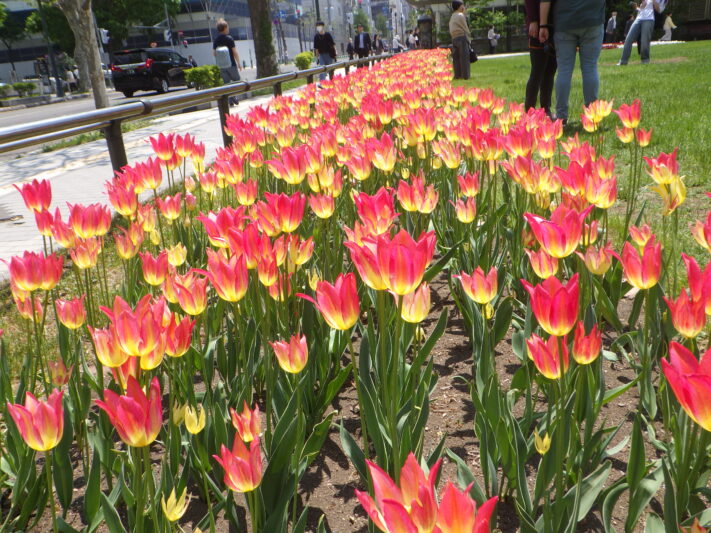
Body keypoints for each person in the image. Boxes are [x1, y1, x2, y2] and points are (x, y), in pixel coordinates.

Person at [539, 0, 604, 125]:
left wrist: (543, 25)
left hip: (564, 21)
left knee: (564, 70)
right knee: (590, 67)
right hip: (592, 18)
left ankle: (561, 117)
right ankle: (592, 116)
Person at [525, 0, 556, 117]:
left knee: (550, 70)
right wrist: (533, 19)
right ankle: (529, 110)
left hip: (554, 25)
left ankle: (546, 108)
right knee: (537, 71)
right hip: (538, 26)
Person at [618, 0, 667, 65]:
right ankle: (623, 61)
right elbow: (642, 7)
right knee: (628, 39)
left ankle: (645, 60)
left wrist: (653, 1)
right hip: (639, 18)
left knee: (644, 41)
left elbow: (659, 10)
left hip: (649, 19)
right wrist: (640, 6)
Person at [213, 18, 242, 85]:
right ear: (225, 28)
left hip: (222, 66)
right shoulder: (229, 38)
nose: (228, 28)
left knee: (227, 84)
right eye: (228, 27)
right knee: (237, 83)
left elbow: (214, 53)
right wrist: (239, 63)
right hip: (231, 64)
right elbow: (234, 52)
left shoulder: (216, 40)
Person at [449, 0, 472, 80]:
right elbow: (465, 28)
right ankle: (465, 76)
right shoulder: (461, 15)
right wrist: (469, 37)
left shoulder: (452, 16)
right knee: (464, 57)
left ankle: (457, 75)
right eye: (462, 5)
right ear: (459, 6)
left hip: (454, 38)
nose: (464, 7)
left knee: (456, 58)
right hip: (462, 37)